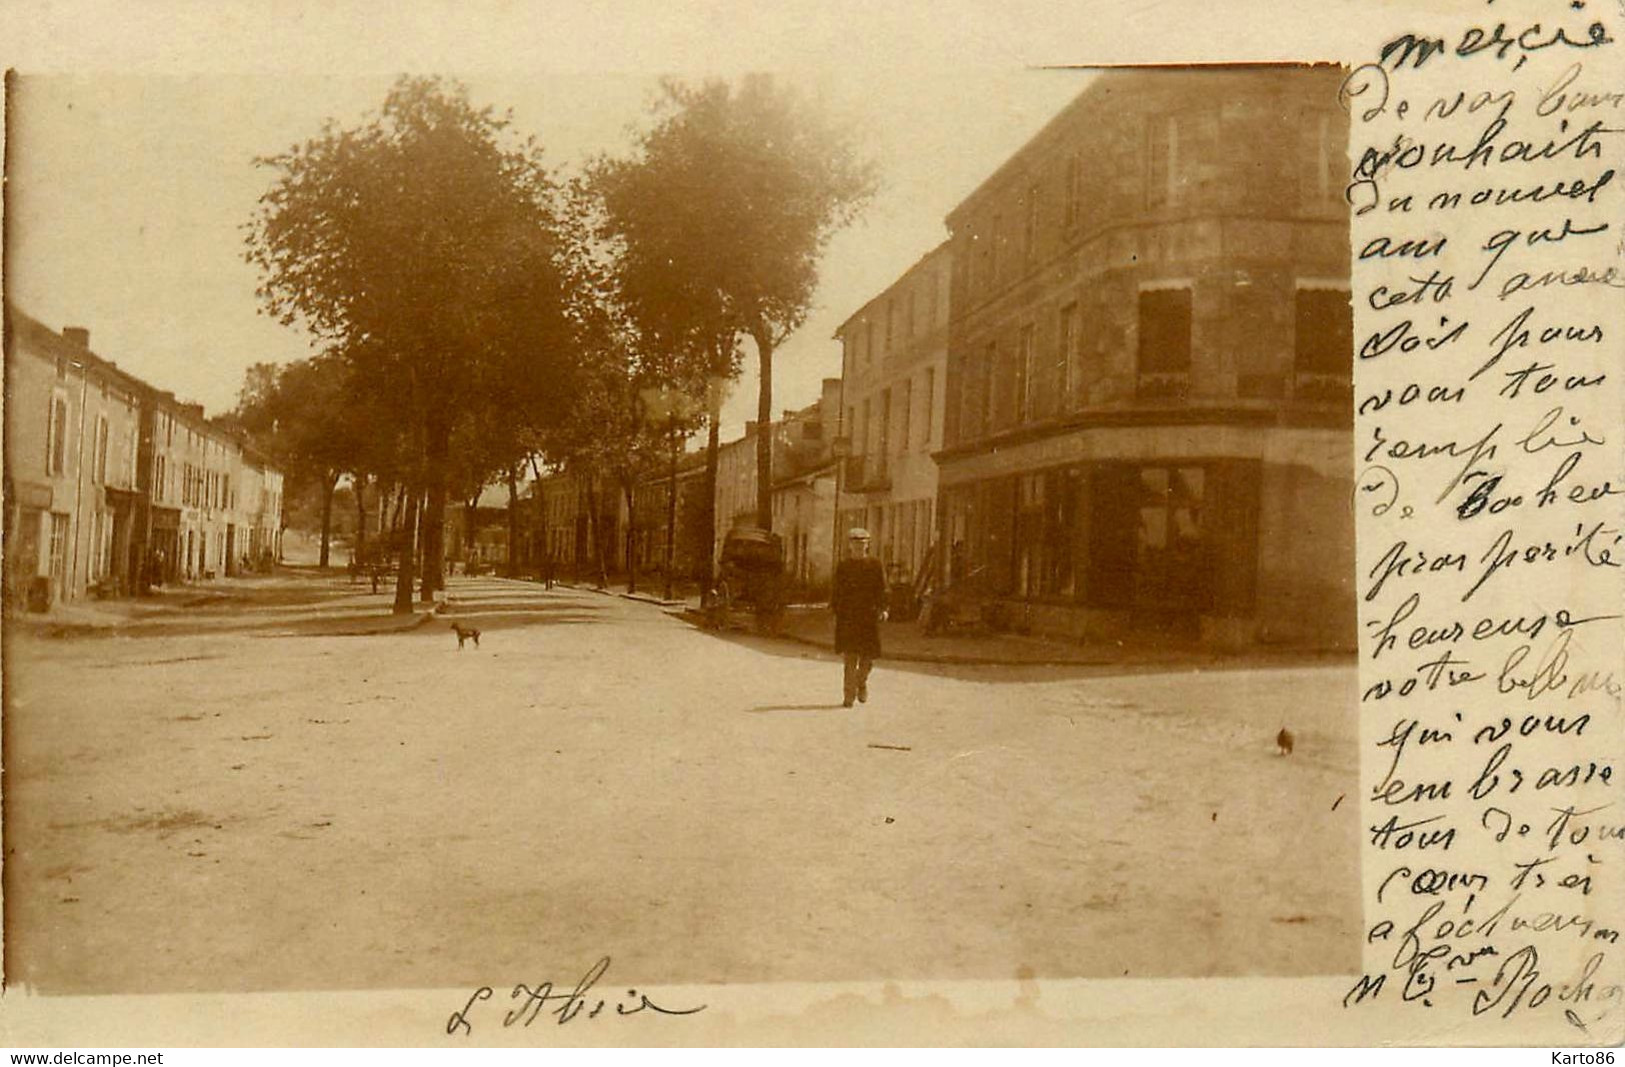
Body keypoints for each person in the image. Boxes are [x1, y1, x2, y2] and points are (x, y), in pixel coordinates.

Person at [831, 527, 887, 707]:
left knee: (867, 658)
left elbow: (882, 589)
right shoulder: (843, 567)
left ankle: (860, 682)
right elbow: (836, 592)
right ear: (850, 546)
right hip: (848, 617)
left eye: (862, 544)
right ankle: (848, 695)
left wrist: (883, 608)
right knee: (850, 657)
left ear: (867, 545)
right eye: (855, 544)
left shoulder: (875, 565)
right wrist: (835, 612)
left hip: (868, 616)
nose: (858, 547)